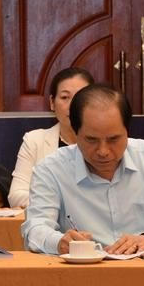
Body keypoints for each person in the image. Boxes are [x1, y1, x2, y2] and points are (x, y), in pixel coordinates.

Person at [21, 84, 144, 255]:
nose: (103, 151)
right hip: (82, 268)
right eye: (91, 140)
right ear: (75, 132)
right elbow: (35, 229)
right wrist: (59, 242)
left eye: (113, 139)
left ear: (127, 131)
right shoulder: (51, 169)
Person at [8, 67, 94, 208]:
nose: (73, 105)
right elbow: (16, 196)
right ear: (52, 103)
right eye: (65, 97)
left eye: (80, 97)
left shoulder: (107, 142)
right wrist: (61, 207)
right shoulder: (34, 141)